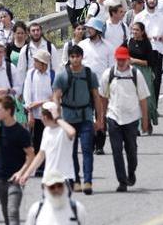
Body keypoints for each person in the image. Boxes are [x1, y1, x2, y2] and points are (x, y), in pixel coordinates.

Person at [49, 46, 103, 194]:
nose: (75, 59)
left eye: (77, 56)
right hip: (68, 119)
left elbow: (97, 97)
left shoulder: (89, 74)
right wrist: (57, 116)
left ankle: (88, 181)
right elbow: (56, 96)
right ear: (69, 58)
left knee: (87, 150)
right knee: (70, 152)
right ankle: (75, 181)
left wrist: (99, 119)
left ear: (82, 57)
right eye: (72, 56)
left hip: (85, 116)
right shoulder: (62, 76)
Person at [100, 46, 149, 192]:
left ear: (128, 59)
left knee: (131, 150)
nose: (121, 62)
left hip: (132, 117)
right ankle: (122, 181)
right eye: (118, 59)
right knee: (116, 150)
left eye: (123, 59)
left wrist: (145, 120)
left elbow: (143, 99)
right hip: (113, 117)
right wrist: (101, 118)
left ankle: (131, 171)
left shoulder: (136, 74)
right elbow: (103, 97)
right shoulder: (108, 74)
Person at [0, 97, 34, 225]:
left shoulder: (21, 132)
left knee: (12, 211)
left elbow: (31, 155)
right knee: (5, 212)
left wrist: (21, 173)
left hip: (15, 179)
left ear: (8, 110)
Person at [19, 103, 76, 191]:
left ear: (44, 117)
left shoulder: (63, 129)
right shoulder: (46, 131)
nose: (41, 119)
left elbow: (72, 132)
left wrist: (57, 118)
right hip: (48, 179)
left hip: (64, 178)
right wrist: (27, 173)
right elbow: (41, 155)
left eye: (41, 116)